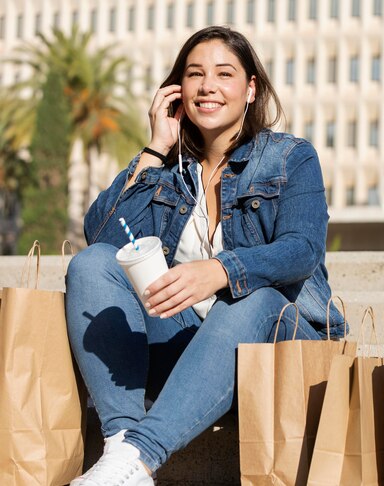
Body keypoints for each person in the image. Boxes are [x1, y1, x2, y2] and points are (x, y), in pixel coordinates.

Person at [65, 26, 345, 486]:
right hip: (190, 358)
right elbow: (102, 234)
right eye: (194, 74)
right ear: (177, 91)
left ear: (250, 89)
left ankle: (141, 456)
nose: (207, 86)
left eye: (224, 74)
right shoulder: (170, 174)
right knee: (92, 262)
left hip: (274, 352)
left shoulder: (289, 158)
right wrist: (155, 148)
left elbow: (303, 250)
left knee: (253, 299)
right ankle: (120, 444)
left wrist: (218, 271)